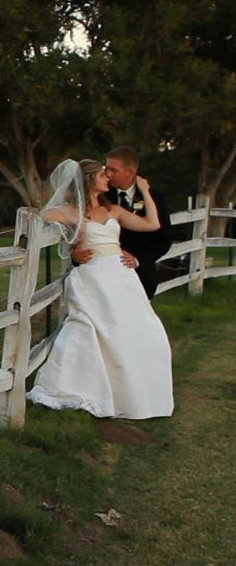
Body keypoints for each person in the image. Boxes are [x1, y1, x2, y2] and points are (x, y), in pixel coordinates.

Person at [28, 159, 174, 419]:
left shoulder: (114, 211)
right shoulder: (70, 212)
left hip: (122, 276)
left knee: (149, 333)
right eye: (102, 174)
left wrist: (146, 191)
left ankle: (137, 395)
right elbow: (42, 219)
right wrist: (73, 247)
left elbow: (152, 224)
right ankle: (79, 387)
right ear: (87, 181)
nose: (108, 177)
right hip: (94, 277)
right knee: (103, 330)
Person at [74, 147, 172, 299]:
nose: (108, 174)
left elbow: (163, 238)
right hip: (100, 276)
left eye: (114, 170)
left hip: (141, 275)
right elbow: (79, 229)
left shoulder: (155, 198)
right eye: (106, 169)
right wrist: (74, 255)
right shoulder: (100, 193)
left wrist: (138, 260)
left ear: (130, 172)